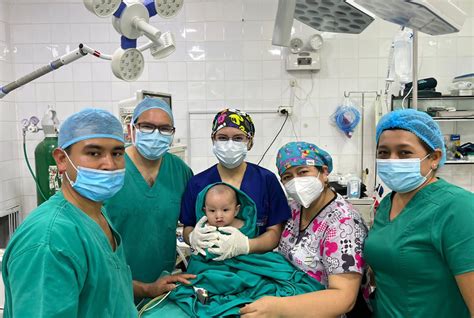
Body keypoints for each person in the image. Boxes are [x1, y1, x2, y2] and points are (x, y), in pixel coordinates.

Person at [2, 109, 137, 317]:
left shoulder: (96, 213)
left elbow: (105, 290)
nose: (109, 165)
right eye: (94, 153)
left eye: (117, 153)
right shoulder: (49, 240)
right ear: (61, 159)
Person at [364, 109, 474, 317]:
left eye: (404, 152)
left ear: (434, 157)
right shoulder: (388, 203)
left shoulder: (458, 208)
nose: (392, 160)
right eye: (383, 153)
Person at [241, 141, 369, 317]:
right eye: (287, 177)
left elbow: (344, 298)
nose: (296, 181)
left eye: (303, 172)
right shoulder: (293, 209)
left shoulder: (344, 223)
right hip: (286, 293)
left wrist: (278, 308)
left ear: (324, 172)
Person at [105, 97, 194, 300]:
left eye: (164, 129)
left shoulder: (180, 172)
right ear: (132, 128)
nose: (156, 134)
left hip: (162, 286)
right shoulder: (111, 169)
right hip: (114, 283)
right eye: (147, 126)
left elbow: (191, 223)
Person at [180, 108, 291, 261]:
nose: (230, 144)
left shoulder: (266, 180)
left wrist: (246, 245)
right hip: (210, 264)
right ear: (213, 140)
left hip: (256, 264)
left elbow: (275, 232)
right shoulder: (197, 183)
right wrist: (193, 237)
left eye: (238, 138)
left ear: (250, 142)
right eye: (223, 138)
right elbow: (188, 227)